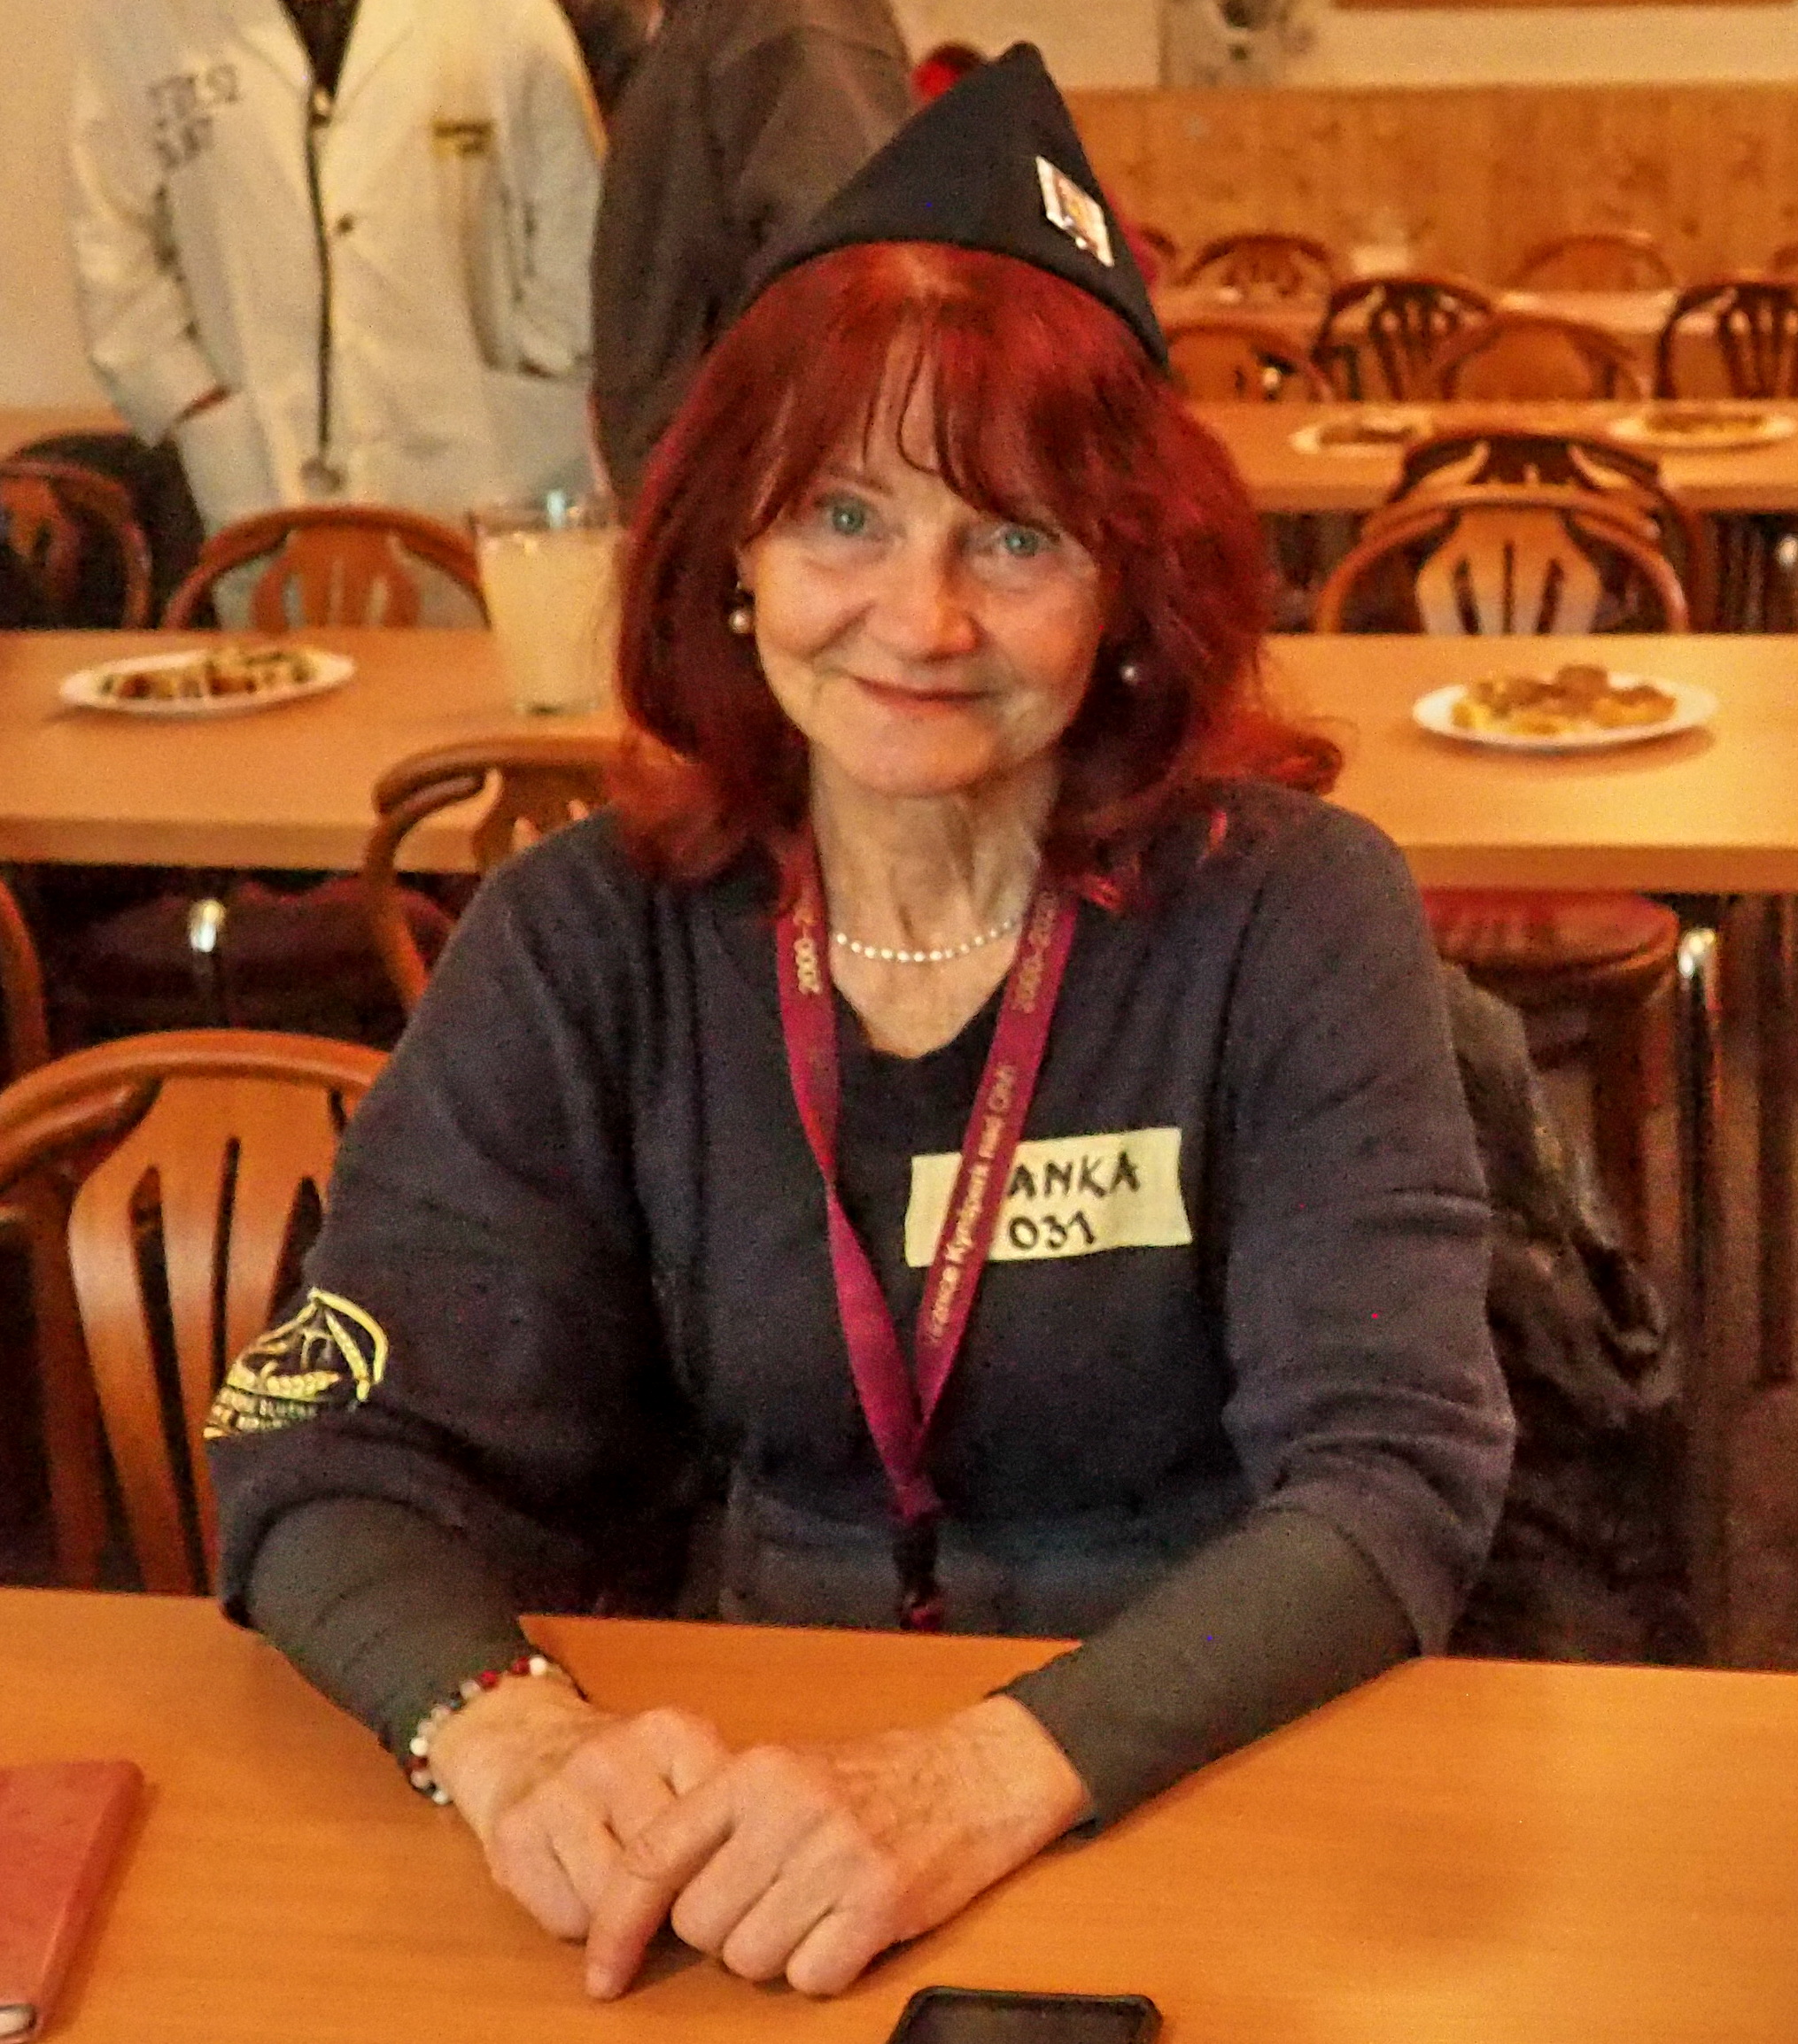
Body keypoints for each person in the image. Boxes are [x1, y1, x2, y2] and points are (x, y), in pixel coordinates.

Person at [204, 50, 1512, 2002]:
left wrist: (978, 1771)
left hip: (1211, 1764)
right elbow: (313, 1439)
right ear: (728, 557)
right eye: (840, 515)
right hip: (733, 1798)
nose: (922, 618)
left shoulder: (1291, 914)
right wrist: (504, 1728)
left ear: (1129, 593)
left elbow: (1393, 1472)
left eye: (1016, 537)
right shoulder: (588, 935)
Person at [67, 0, 602, 536]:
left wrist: (544, 363)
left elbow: (579, 220)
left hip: (492, 465)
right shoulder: (143, 22)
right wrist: (192, 403)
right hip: (263, 472)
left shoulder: (503, 16)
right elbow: (112, 250)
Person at [587, 0, 912, 496]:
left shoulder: (789, 23)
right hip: (719, 501)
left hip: (748, 505)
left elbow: (846, 299)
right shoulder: (729, 26)